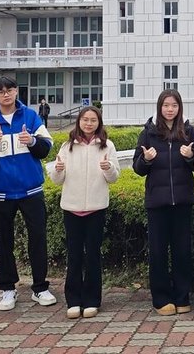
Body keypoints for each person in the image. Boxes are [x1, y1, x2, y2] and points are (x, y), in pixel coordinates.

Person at [0, 76, 56, 311]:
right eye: (0, 92)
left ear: (16, 92)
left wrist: (31, 140)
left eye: (10, 90)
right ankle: (7, 289)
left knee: (38, 240)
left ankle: (40, 287)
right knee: (4, 242)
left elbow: (45, 149)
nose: (6, 94)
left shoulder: (30, 117)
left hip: (31, 190)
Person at [132, 89, 194, 316]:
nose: (170, 109)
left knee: (182, 251)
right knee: (158, 252)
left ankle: (182, 296)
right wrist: (147, 160)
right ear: (159, 108)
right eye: (166, 105)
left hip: (182, 201)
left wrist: (190, 157)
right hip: (157, 203)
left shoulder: (189, 132)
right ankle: (161, 299)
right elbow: (138, 169)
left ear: (180, 108)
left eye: (174, 105)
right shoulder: (148, 134)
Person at [49, 106, 120, 319]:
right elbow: (56, 179)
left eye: (93, 120)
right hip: (71, 208)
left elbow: (114, 177)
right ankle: (73, 300)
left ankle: (92, 300)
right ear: (79, 121)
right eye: (85, 120)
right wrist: (57, 170)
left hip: (96, 208)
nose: (89, 124)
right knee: (74, 256)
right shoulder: (67, 146)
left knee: (93, 256)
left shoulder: (106, 146)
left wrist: (108, 168)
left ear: (99, 123)